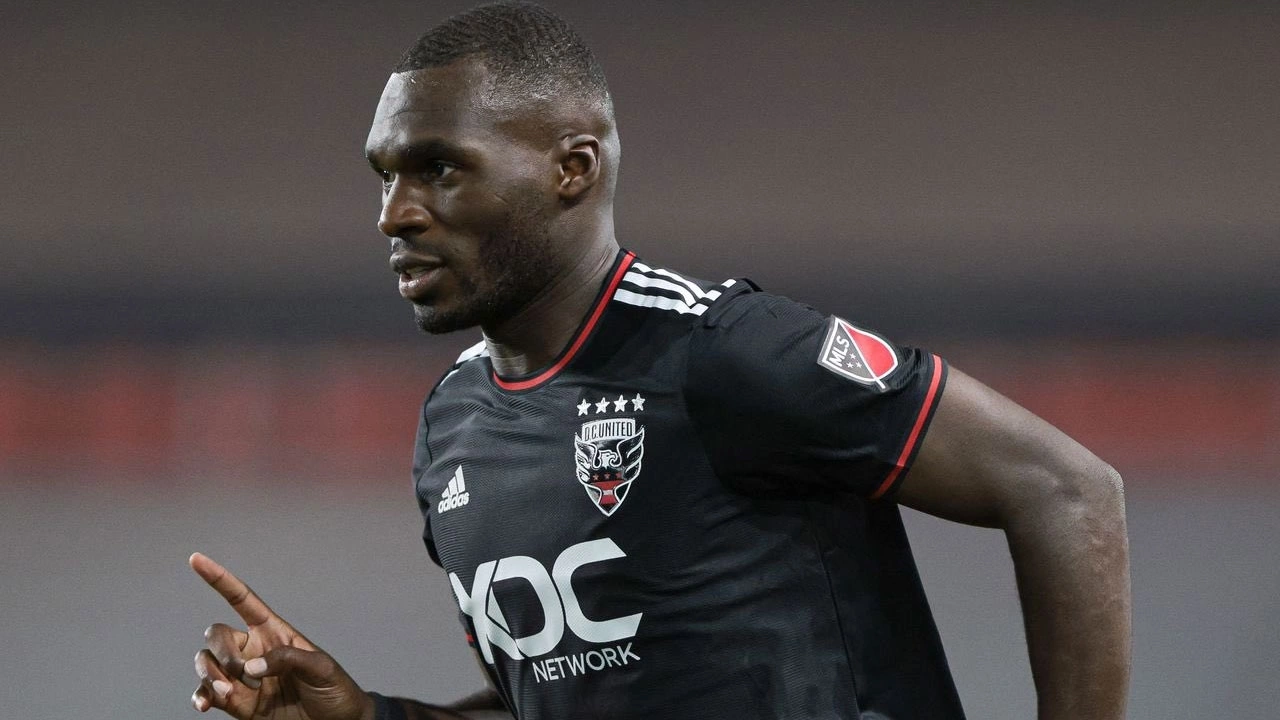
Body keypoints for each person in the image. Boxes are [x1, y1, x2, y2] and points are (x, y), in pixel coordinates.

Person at [189, 3, 1131, 718]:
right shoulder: (454, 430)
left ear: (573, 168)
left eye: (438, 168)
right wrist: (370, 717)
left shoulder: (726, 353)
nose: (395, 213)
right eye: (385, 175)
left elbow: (1066, 490)